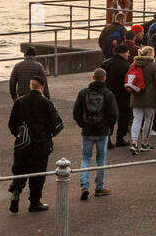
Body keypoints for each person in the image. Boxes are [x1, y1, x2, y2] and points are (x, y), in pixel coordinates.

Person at [7, 77, 63, 213]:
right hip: (40, 144)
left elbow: (11, 124)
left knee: (20, 170)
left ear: (30, 86)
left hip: (22, 143)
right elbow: (57, 125)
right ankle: (34, 202)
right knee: (38, 174)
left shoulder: (20, 102)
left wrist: (20, 135)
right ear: (42, 87)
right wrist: (48, 136)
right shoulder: (47, 103)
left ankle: (16, 192)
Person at [72, 67, 117, 200]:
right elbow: (114, 114)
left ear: (93, 78)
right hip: (102, 131)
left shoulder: (83, 93)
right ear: (104, 78)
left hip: (87, 130)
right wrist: (108, 126)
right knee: (100, 159)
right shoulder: (108, 94)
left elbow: (76, 112)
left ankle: (84, 186)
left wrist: (83, 124)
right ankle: (99, 187)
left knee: (85, 158)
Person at [128, 45, 156, 154]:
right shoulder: (153, 65)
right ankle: (145, 142)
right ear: (149, 54)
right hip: (150, 98)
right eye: (152, 53)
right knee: (148, 120)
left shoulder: (134, 64)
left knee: (136, 119)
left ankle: (134, 142)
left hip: (136, 95)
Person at [100, 43, 133, 148]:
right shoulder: (127, 66)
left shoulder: (105, 64)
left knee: (109, 118)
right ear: (123, 53)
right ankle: (120, 139)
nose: (128, 54)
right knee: (123, 118)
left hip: (107, 95)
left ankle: (108, 139)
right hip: (123, 96)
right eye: (127, 52)